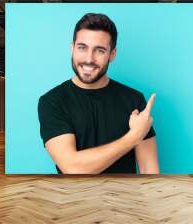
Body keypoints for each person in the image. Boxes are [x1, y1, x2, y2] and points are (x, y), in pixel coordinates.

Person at [38, 13, 159, 174]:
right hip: (71, 199)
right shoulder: (52, 101)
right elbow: (72, 167)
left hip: (125, 199)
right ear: (72, 48)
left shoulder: (134, 100)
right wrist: (133, 137)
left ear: (112, 54)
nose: (89, 59)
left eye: (100, 51)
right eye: (82, 47)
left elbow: (149, 170)